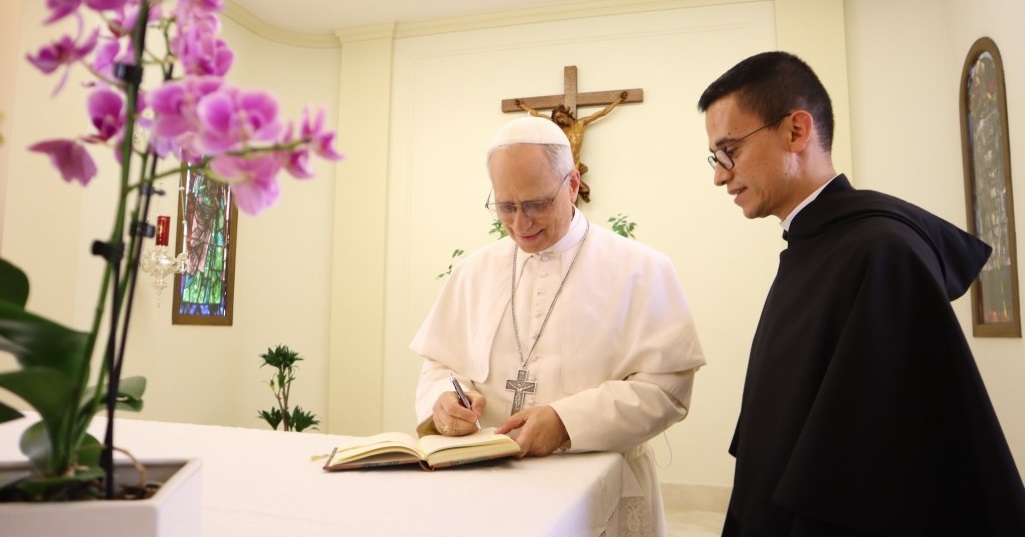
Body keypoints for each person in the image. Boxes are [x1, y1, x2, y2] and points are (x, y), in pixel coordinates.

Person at [698, 51, 1025, 536]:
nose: (720, 174)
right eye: (715, 157)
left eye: (730, 151)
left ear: (796, 131)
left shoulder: (882, 254)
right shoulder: (813, 242)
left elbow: (870, 471)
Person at [410, 115, 705, 537]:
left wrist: (565, 423)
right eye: (506, 207)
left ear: (571, 185)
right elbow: (439, 366)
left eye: (536, 204)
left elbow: (667, 389)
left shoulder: (641, 270)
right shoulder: (474, 271)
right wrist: (442, 403)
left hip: (599, 488)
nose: (520, 223)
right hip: (481, 491)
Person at [516, 90, 628, 203]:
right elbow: (537, 115)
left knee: (572, 185)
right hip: (562, 161)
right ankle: (579, 190)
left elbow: (602, 113)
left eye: (560, 116)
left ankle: (580, 190)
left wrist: (618, 100)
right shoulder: (558, 128)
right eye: (557, 118)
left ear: (566, 114)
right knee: (565, 186)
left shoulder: (581, 124)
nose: (559, 119)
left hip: (576, 162)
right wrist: (522, 106)